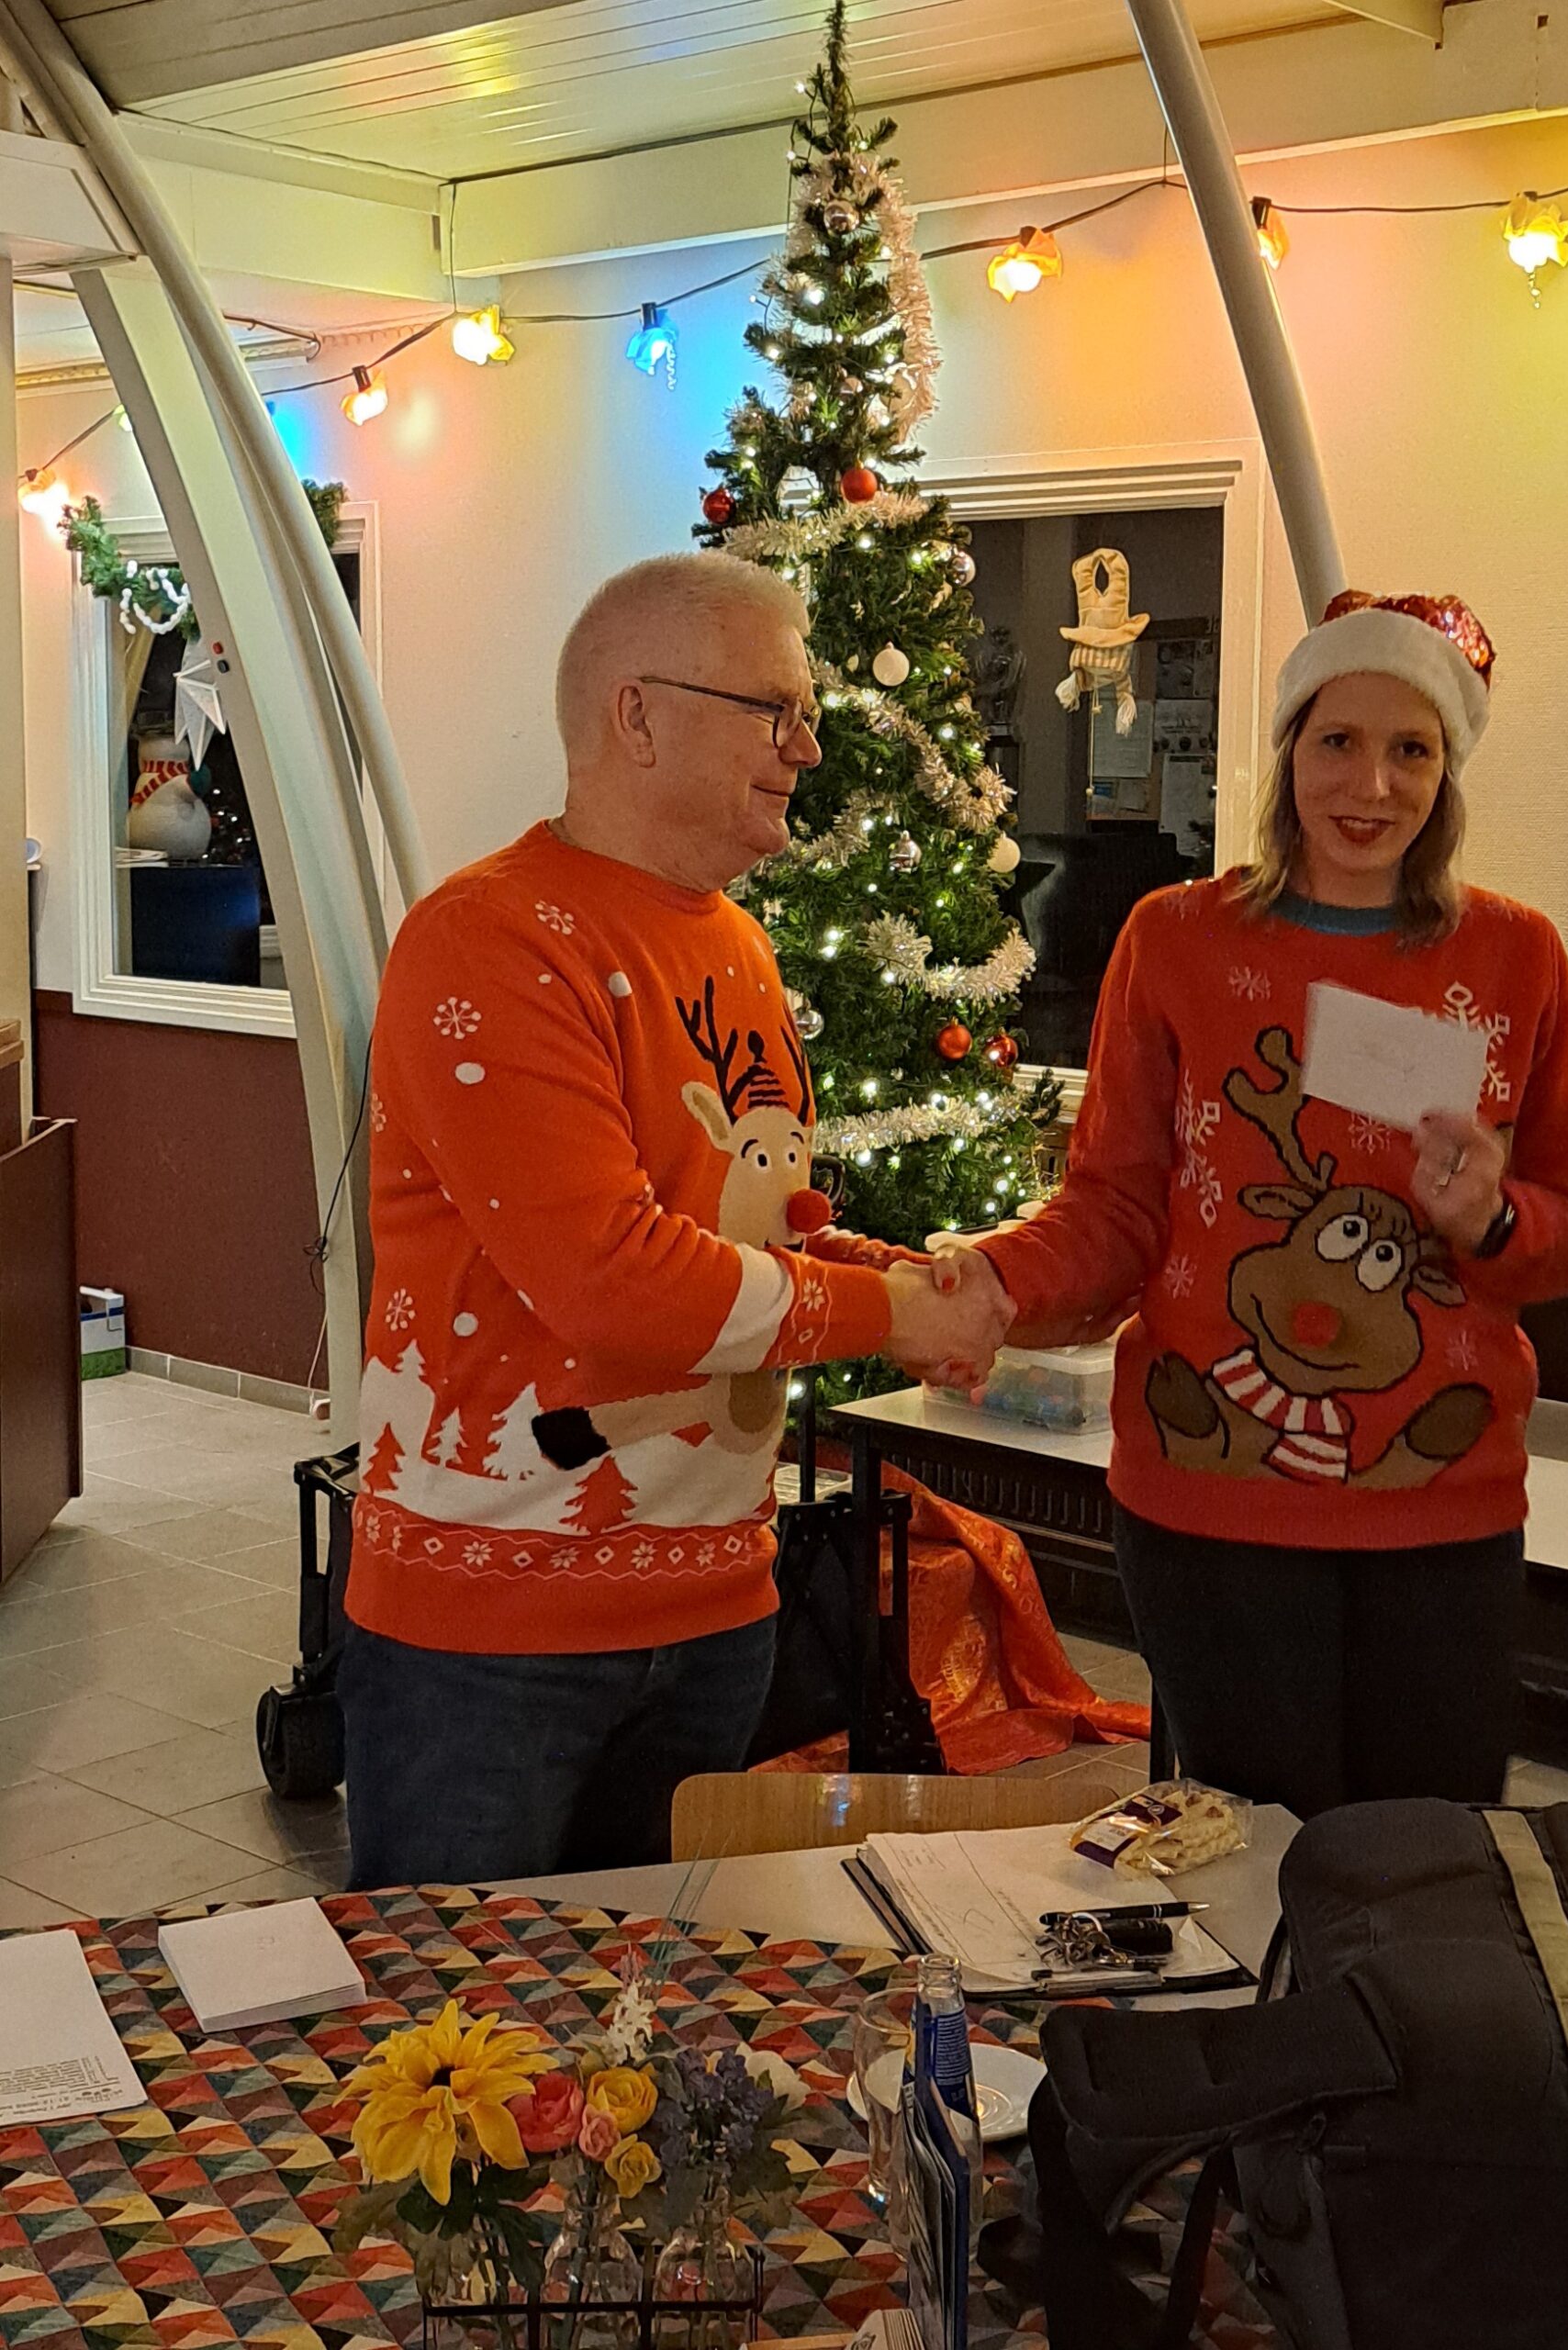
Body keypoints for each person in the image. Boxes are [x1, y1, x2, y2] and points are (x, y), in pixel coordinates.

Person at [342, 553, 997, 1884]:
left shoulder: (736, 946)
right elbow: (611, 1278)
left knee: (654, 1999)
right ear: (635, 716)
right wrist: (892, 1314)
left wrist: (914, 1277)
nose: (806, 748)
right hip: (494, 1632)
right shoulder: (490, 939)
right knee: (459, 1999)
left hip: (716, 1607)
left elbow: (742, 1234)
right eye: (773, 710)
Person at [945, 590, 1568, 1818]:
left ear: (1447, 772)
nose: (1371, 785)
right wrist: (989, 1283)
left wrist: (1490, 1221)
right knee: (1252, 1864)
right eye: (1337, 742)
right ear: (1289, 748)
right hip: (1212, 1500)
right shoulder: (1175, 939)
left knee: (1428, 1864)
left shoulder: (1516, 956)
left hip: (1440, 1508)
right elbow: (1113, 1206)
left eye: (1410, 750)